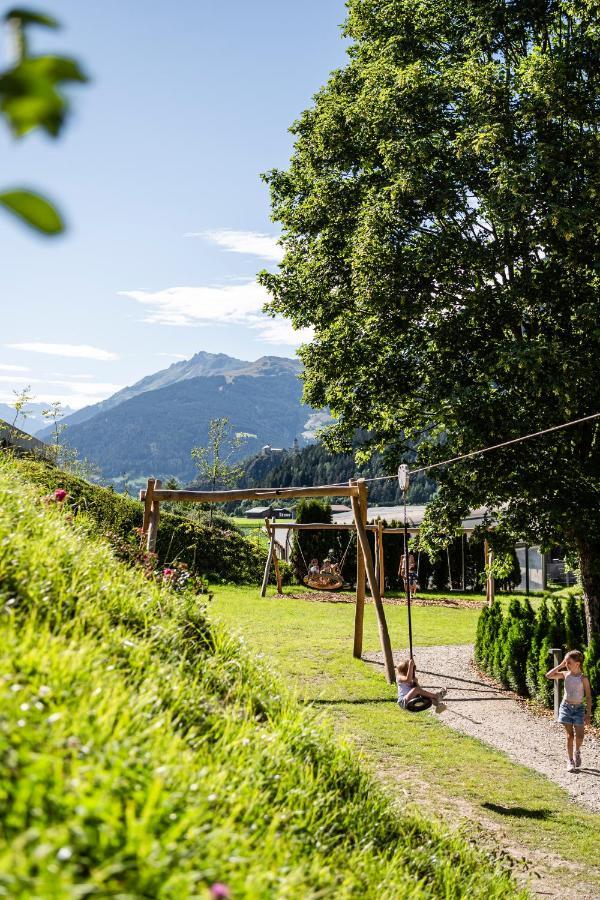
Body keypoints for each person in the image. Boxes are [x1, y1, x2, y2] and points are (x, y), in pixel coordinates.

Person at [546, 649, 592, 772]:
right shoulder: (565, 674)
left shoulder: (583, 678)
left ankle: (577, 751)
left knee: (580, 736)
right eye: (566, 662)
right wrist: (561, 665)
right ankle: (570, 760)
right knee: (570, 735)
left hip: (579, 709)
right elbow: (548, 675)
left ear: (577, 664)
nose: (567, 664)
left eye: (568, 662)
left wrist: (588, 714)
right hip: (566, 708)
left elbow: (588, 696)